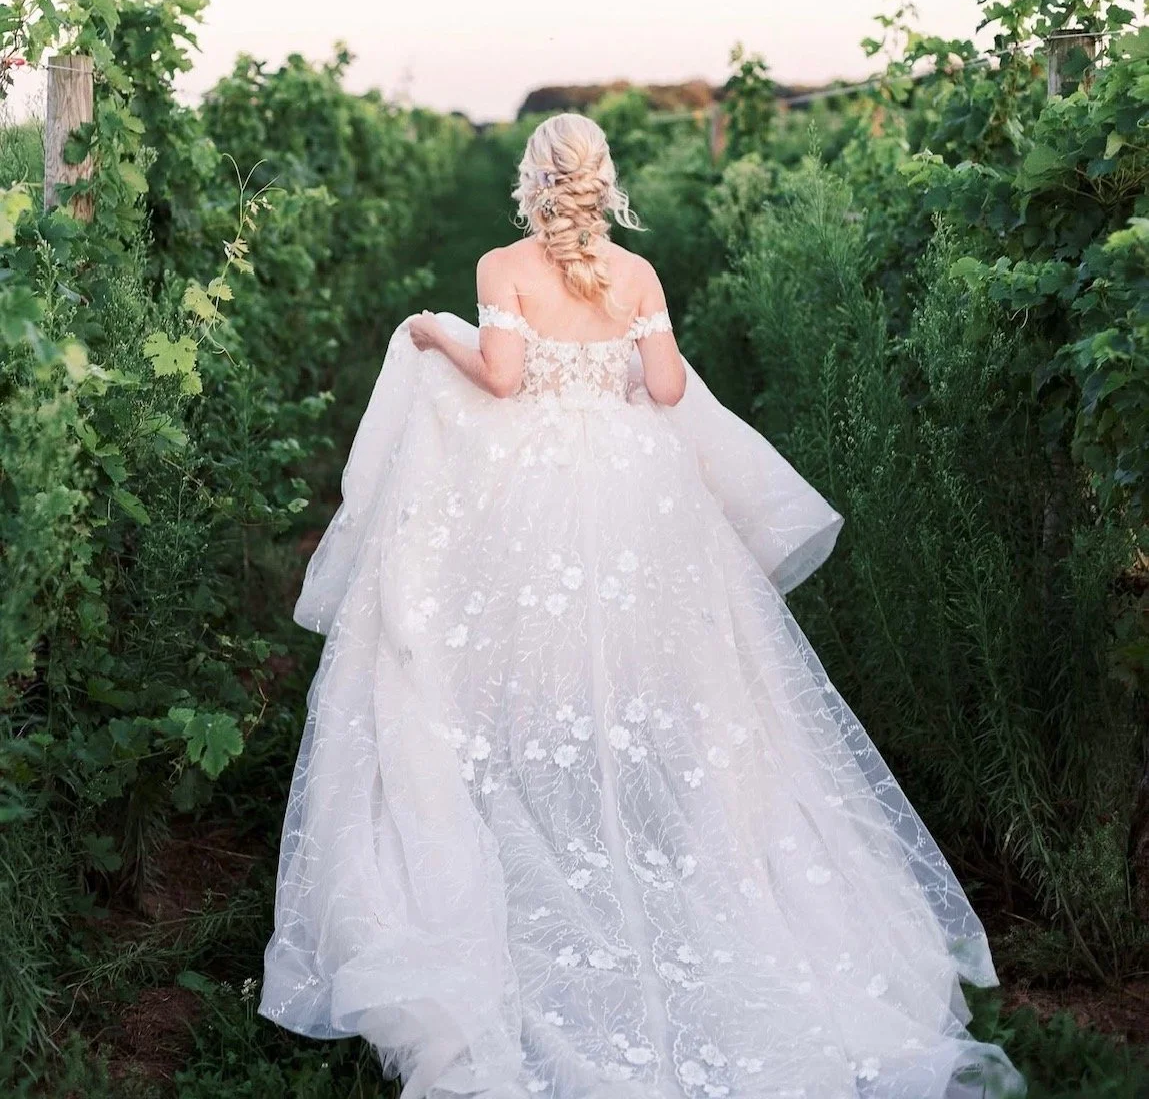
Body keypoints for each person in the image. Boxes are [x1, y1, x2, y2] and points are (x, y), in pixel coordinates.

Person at [260, 113, 1024, 1099]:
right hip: (633, 482)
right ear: (603, 181)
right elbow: (664, 387)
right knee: (658, 661)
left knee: (519, 646)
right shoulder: (639, 277)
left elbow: (505, 375)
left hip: (536, 479)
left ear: (537, 180)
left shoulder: (503, 266)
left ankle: (541, 803)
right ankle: (635, 808)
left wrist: (437, 334)